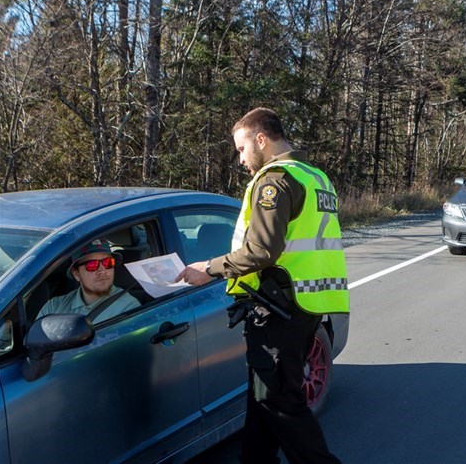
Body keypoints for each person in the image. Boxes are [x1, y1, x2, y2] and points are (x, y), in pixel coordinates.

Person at [176, 107, 349, 464]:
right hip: (307, 303)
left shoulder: (274, 180)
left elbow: (261, 251)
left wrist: (208, 268)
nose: (241, 159)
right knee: (263, 395)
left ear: (261, 139)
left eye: (241, 149)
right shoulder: (316, 177)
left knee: (281, 403)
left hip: (278, 309)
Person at [37, 239, 140, 322]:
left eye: (108, 262)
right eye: (92, 265)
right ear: (77, 274)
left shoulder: (128, 307)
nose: (102, 271)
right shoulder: (53, 307)